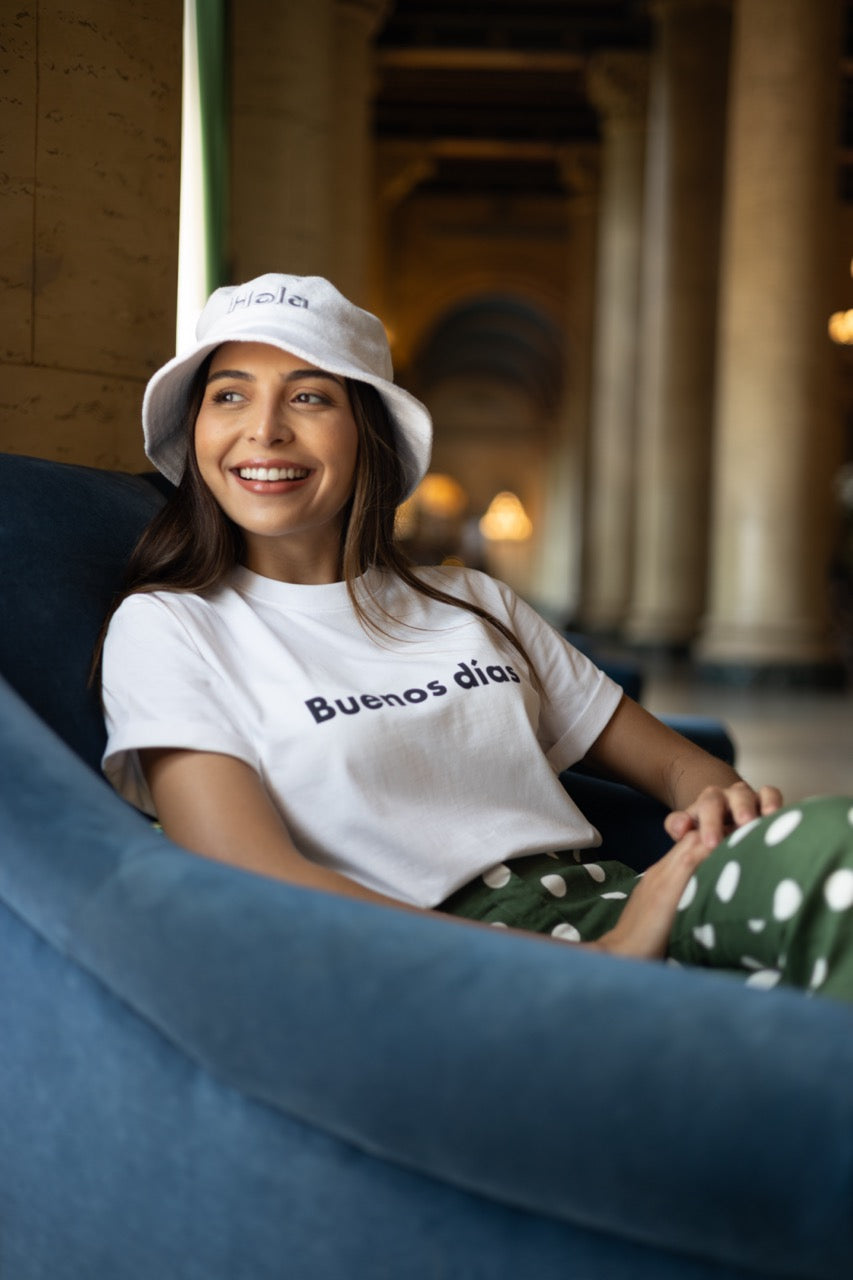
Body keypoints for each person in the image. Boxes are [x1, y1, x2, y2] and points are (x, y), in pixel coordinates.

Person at [99, 272, 853, 1003]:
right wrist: (599, 961)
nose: (263, 429)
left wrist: (717, 818)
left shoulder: (470, 600)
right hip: (425, 969)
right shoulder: (170, 625)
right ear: (196, 428)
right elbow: (243, 871)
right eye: (228, 394)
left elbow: (685, 769)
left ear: (366, 432)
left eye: (308, 396)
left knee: (834, 844)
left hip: (611, 905)